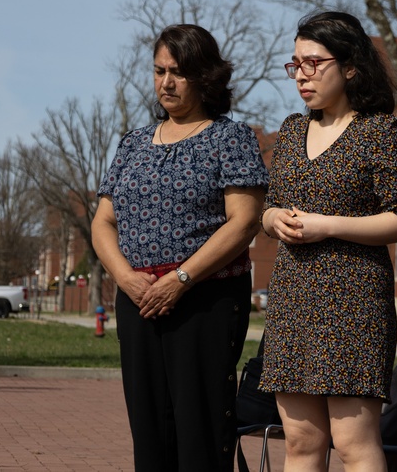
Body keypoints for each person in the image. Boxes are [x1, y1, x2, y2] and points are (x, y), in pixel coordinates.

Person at [92, 24, 268, 471]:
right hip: (137, 300)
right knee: (149, 430)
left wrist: (181, 278)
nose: (166, 82)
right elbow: (103, 223)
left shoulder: (230, 138)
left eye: (179, 72)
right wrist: (125, 277)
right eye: (159, 71)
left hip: (203, 301)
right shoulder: (132, 144)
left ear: (205, 76)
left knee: (200, 432)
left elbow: (244, 221)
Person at [259, 11, 397, 471]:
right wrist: (273, 219)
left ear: (350, 66)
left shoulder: (379, 131)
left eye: (313, 63)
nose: (302, 75)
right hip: (293, 297)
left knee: (353, 442)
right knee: (299, 443)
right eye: (295, 65)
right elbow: (271, 206)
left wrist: (327, 225)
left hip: (353, 300)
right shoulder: (291, 131)